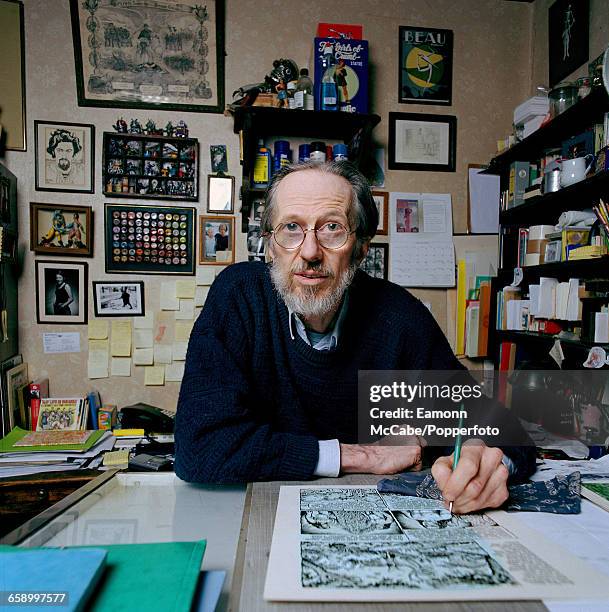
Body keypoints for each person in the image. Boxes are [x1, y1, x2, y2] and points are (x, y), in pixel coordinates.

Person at [176, 161, 535, 514]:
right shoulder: (238, 297)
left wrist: (487, 461)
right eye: (291, 228)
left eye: (332, 228)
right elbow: (200, 449)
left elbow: (506, 431)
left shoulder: (399, 318)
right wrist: (363, 455)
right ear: (270, 246)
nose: (311, 252)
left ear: (362, 247)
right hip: (252, 515)